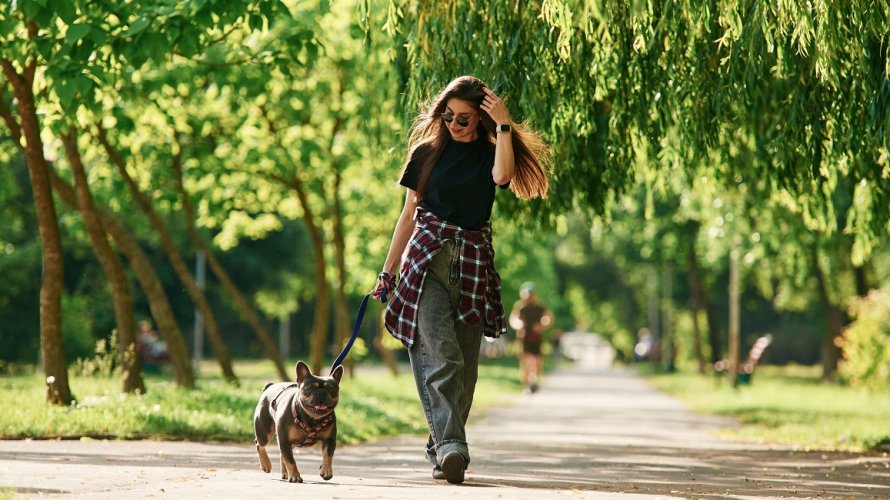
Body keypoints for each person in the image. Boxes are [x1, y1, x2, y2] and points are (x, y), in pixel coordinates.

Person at [371, 75, 549, 484]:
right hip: (426, 261)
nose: (454, 124)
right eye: (448, 116)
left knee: (466, 370)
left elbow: (503, 176)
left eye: (464, 119)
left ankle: (441, 448)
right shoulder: (426, 154)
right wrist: (388, 270)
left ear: (480, 119)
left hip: (473, 264)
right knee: (443, 356)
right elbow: (408, 214)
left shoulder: (491, 152)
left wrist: (502, 123)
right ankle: (453, 446)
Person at [508, 282, 553, 394]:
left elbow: (548, 318)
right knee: (526, 361)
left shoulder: (540, 307)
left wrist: (542, 325)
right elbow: (513, 319)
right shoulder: (520, 307)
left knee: (537, 361)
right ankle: (527, 385)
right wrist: (518, 324)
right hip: (524, 339)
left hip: (537, 338)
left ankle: (535, 382)